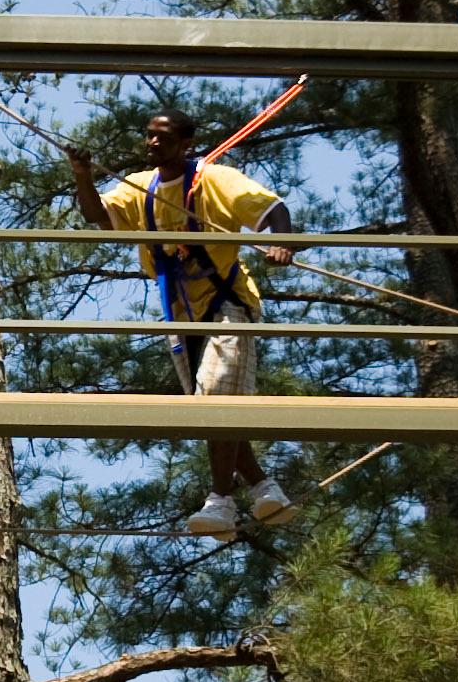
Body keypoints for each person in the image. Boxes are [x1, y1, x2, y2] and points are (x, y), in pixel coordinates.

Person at [87, 103, 300, 540]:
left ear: (186, 144)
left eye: (162, 136)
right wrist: (80, 174)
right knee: (210, 405)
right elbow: (97, 214)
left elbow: (271, 208)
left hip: (226, 305)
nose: (151, 142)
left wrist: (282, 243)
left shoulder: (214, 181)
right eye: (148, 134)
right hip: (181, 316)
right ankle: (264, 487)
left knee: (218, 401)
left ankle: (221, 500)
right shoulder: (141, 189)